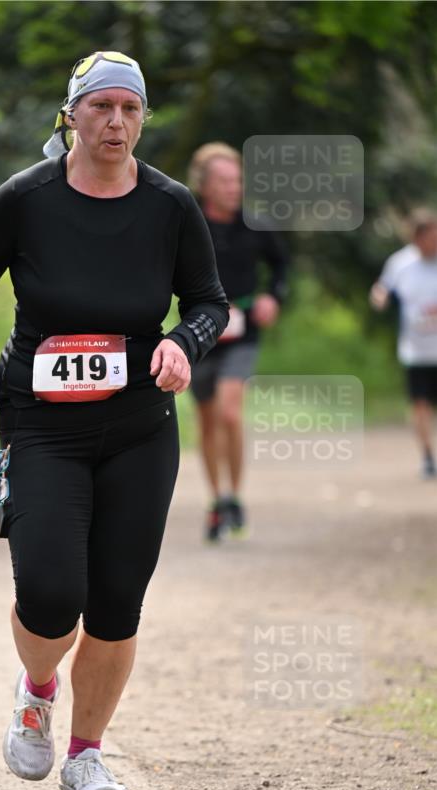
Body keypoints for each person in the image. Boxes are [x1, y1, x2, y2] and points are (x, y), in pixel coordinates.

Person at [0, 51, 229, 790]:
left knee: (115, 601)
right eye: (101, 106)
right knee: (49, 591)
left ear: (142, 119)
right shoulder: (24, 199)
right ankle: (37, 689)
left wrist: (181, 342)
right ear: (70, 115)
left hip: (139, 426)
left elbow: (208, 301)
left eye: (130, 109)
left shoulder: (169, 205)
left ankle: (85, 758)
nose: (116, 122)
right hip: (42, 426)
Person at [187, 143, 288, 541]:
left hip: (244, 332)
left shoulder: (256, 225)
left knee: (230, 411)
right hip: (200, 334)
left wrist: (272, 297)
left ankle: (236, 495)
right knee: (208, 421)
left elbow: (281, 268)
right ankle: (217, 500)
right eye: (225, 181)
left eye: (238, 181)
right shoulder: (188, 222)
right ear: (204, 186)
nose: (234, 188)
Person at [370, 210, 437, 478]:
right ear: (417, 238)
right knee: (419, 404)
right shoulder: (400, 263)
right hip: (416, 349)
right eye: (430, 238)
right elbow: (382, 288)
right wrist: (379, 298)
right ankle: (428, 457)